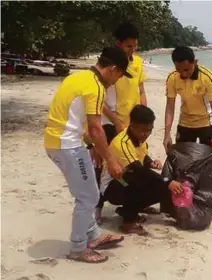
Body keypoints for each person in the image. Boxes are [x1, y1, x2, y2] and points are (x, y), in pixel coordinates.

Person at [44, 47, 129, 263]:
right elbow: (96, 128)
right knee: (88, 197)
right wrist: (110, 159)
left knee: (88, 189)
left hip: (58, 141)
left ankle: (93, 235)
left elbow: (71, 115)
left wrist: (92, 146)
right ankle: (78, 247)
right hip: (67, 145)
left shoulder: (78, 77)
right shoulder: (97, 87)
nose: (118, 81)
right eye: (120, 75)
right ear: (113, 69)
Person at [95, 22, 152, 224]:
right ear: (118, 43)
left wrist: (144, 116)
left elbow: (141, 90)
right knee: (103, 164)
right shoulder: (108, 66)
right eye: (129, 46)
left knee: (135, 164)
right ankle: (98, 205)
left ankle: (132, 205)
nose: (132, 50)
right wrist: (116, 121)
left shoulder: (136, 63)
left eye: (135, 46)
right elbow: (97, 100)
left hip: (132, 124)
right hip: (111, 123)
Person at [163, 46, 212, 220]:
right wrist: (167, 133)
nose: (184, 74)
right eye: (179, 70)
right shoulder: (173, 77)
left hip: (206, 124)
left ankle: (207, 206)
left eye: (187, 69)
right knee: (180, 165)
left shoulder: (207, 77)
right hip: (185, 124)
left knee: (206, 168)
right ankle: (177, 205)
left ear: (195, 62)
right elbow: (170, 106)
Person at [101, 105, 170, 236]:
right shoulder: (122, 142)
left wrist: (150, 162)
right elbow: (138, 170)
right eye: (143, 131)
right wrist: (168, 181)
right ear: (132, 125)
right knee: (140, 179)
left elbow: (141, 156)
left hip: (127, 179)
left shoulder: (140, 138)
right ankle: (128, 222)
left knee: (160, 188)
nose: (146, 134)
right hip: (112, 186)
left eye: (149, 130)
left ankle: (128, 211)